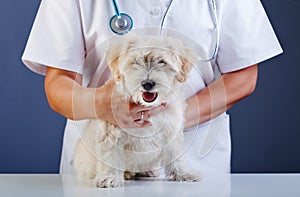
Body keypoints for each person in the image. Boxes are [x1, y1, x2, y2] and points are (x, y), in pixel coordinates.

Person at [22, 0, 282, 175]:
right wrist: (99, 104)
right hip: (103, 166)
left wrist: (172, 118)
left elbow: (244, 76)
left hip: (195, 160)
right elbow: (57, 85)